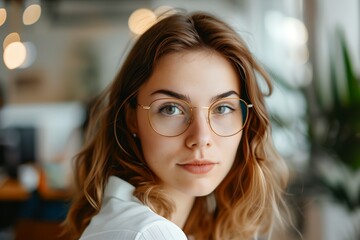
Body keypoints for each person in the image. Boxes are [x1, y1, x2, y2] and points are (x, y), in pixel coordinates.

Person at [64, 10, 289, 240]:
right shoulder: (151, 234)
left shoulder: (172, 228)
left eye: (222, 108)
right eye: (171, 109)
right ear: (131, 117)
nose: (201, 138)